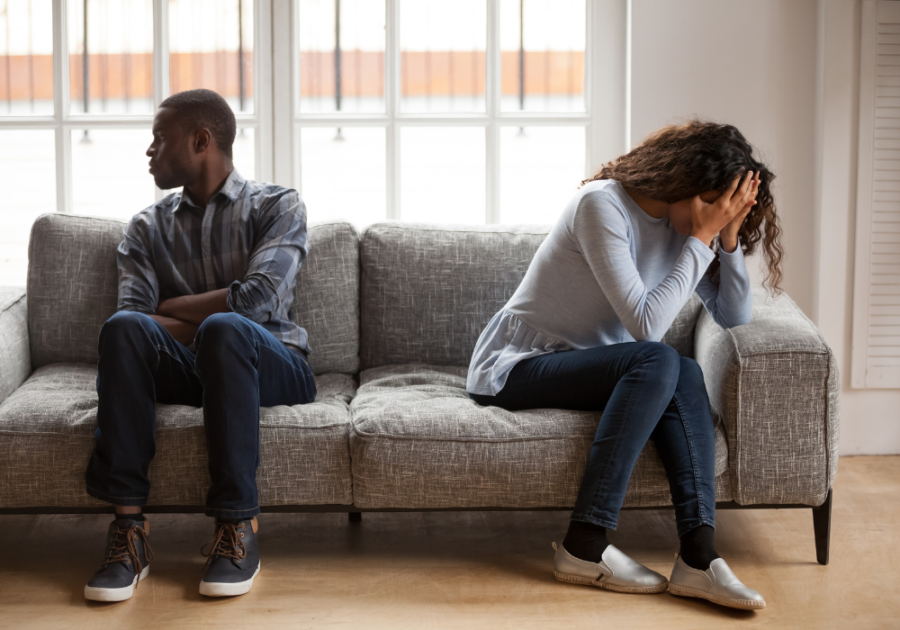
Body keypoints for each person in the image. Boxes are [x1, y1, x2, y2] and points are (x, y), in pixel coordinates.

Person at [467, 121, 784, 610]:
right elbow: (646, 325)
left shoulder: (686, 229)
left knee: (683, 371)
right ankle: (584, 545)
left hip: (593, 367)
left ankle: (698, 557)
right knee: (660, 358)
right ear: (684, 183)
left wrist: (725, 238)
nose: (717, 216)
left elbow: (734, 316)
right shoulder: (602, 205)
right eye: (716, 204)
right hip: (517, 366)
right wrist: (700, 238)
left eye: (728, 209)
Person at [82, 89, 316, 602]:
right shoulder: (145, 228)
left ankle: (237, 530)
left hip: (273, 363)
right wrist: (203, 314)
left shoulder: (279, 205)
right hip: (188, 368)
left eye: (159, 139)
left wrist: (178, 306)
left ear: (201, 140)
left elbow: (255, 304)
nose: (149, 151)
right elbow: (136, 321)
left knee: (228, 330)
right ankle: (129, 534)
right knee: (122, 329)